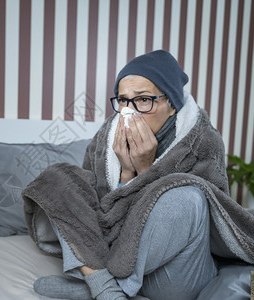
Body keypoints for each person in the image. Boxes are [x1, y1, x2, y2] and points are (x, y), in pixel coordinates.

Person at [22, 50, 254, 299]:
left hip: (177, 275)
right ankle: (108, 288)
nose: (128, 112)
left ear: (172, 105)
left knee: (188, 196)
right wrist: (126, 173)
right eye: (123, 100)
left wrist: (146, 171)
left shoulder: (203, 142)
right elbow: (93, 215)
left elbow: (211, 218)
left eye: (143, 100)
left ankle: (98, 286)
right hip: (119, 254)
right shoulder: (106, 137)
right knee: (58, 178)